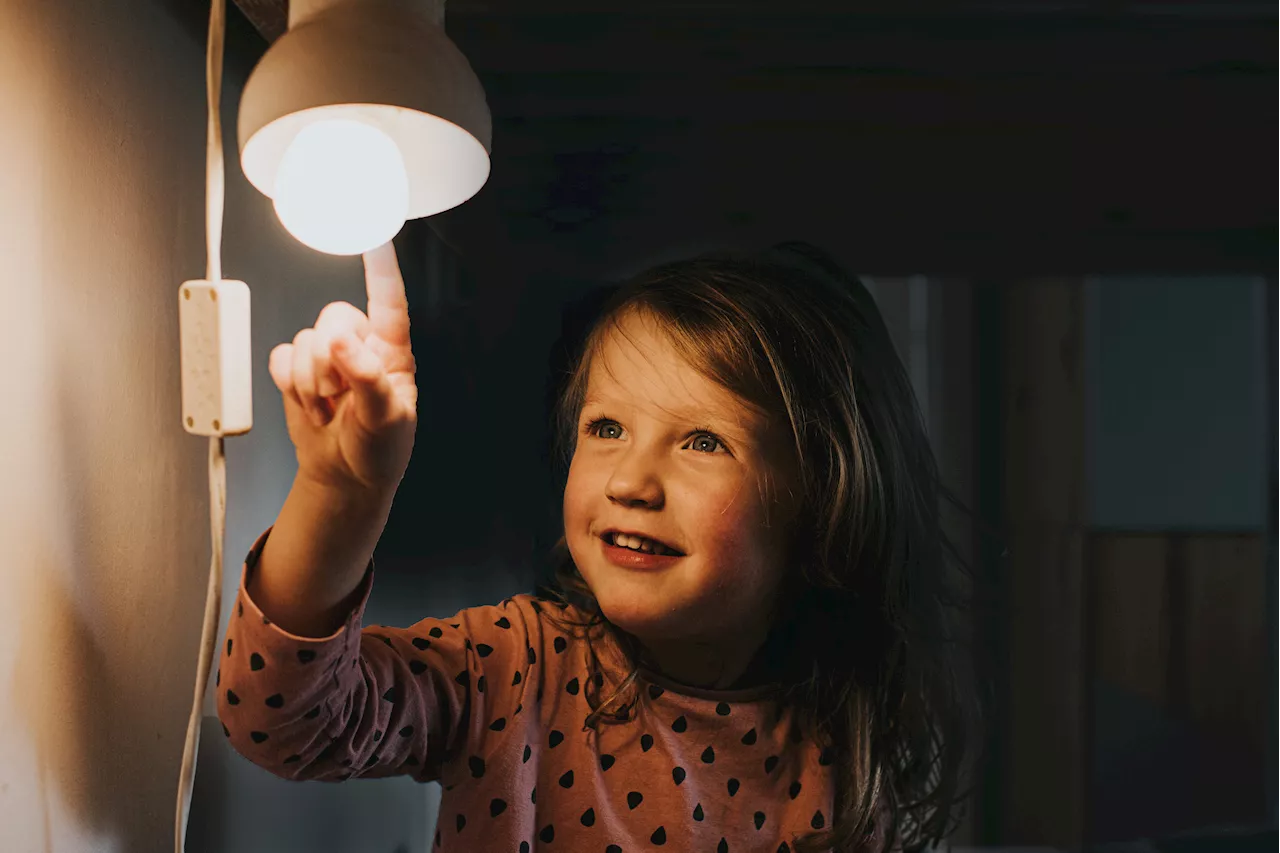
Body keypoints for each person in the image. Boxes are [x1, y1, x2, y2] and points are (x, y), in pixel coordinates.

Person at [217, 240, 985, 853]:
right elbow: (280, 719)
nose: (631, 481)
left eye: (704, 441)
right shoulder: (514, 668)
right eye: (607, 427)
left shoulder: (841, 753)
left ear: (824, 496)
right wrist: (342, 496)